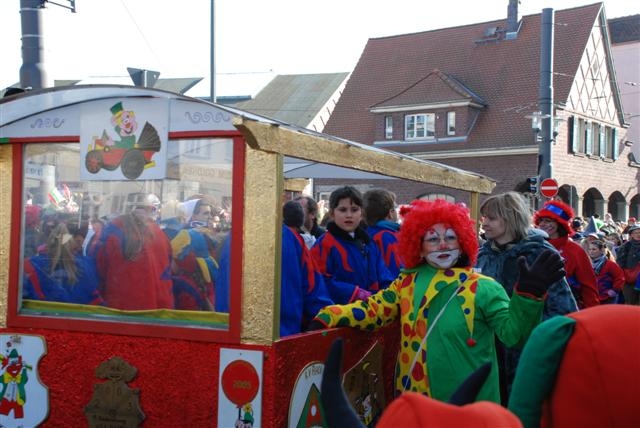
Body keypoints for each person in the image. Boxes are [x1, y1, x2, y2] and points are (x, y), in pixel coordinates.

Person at [310, 199, 564, 403]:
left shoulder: (483, 287)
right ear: (419, 247)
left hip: (467, 406)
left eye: (450, 237)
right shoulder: (407, 282)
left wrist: (528, 296)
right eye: (432, 239)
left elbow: (513, 335)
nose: (443, 244)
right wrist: (330, 315)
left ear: (463, 242)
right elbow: (373, 309)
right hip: (415, 400)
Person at [475, 192, 578, 404]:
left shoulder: (539, 253)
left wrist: (543, 347)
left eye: (491, 218)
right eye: (484, 217)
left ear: (510, 217)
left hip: (528, 352)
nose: (484, 223)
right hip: (490, 351)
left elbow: (562, 308)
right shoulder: (482, 255)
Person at [310, 186, 395, 304]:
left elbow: (383, 274)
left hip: (373, 308)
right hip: (340, 310)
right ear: (332, 214)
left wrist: (389, 294)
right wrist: (354, 293)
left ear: (361, 214)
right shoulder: (324, 244)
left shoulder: (369, 243)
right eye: (343, 210)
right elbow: (319, 280)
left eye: (354, 210)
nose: (349, 215)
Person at [91, 193, 174, 310]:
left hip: (121, 310)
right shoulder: (159, 234)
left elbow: (96, 269)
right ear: (148, 208)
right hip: (157, 310)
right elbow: (168, 269)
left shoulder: (111, 231)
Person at [533, 200, 599, 309]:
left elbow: (588, 286)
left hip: (567, 309)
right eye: (541, 220)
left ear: (560, 224)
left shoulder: (575, 251)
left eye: (548, 221)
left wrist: (591, 312)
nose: (542, 224)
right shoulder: (534, 246)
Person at [23, 223, 104, 305]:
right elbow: (95, 298)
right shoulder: (85, 265)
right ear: (71, 241)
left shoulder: (31, 265)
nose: (80, 246)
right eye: (79, 242)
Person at [280, 216, 333, 336]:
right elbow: (315, 294)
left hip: (288, 336)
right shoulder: (292, 239)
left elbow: (315, 293)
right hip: (286, 337)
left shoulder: (291, 238)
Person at [170, 198, 219, 311]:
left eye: (210, 213)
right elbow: (173, 255)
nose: (209, 216)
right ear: (193, 216)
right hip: (195, 287)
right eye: (205, 213)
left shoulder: (208, 233)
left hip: (210, 282)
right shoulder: (186, 234)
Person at [363, 188, 403, 278]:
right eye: (395, 208)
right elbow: (397, 268)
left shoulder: (368, 233)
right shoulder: (387, 236)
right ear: (390, 213)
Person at [586, 239, 624, 304]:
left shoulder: (610, 264)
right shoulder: (586, 264)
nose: (591, 251)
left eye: (594, 249)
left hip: (607, 298)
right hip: (592, 297)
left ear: (601, 250)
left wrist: (614, 290)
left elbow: (620, 278)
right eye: (590, 249)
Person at [615, 224, 640, 305]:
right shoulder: (626, 246)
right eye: (636, 233)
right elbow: (620, 263)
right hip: (630, 281)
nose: (638, 234)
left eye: (639, 232)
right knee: (630, 303)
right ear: (631, 235)